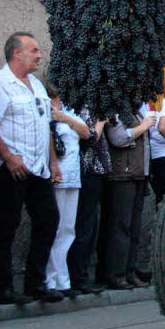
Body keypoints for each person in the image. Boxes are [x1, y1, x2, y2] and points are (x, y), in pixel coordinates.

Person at [0, 32, 63, 304]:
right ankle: (2, 288)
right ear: (16, 53)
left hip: (38, 167)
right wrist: (7, 157)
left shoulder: (37, 86)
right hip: (12, 167)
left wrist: (53, 162)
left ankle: (35, 283)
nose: (39, 55)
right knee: (7, 225)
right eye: (34, 50)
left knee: (49, 219)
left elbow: (45, 126)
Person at [44, 83, 90, 297]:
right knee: (55, 227)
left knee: (68, 229)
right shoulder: (45, 106)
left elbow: (85, 132)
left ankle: (63, 280)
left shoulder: (68, 110)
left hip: (73, 176)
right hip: (56, 174)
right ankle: (51, 280)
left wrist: (64, 118)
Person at [102, 110, 156, 289]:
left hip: (138, 174)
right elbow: (118, 138)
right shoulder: (117, 110)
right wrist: (144, 126)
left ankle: (130, 271)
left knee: (134, 227)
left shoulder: (135, 110)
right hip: (123, 175)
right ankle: (116, 273)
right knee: (121, 226)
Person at [68, 111, 110, 295]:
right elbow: (90, 137)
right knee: (84, 226)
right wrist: (101, 121)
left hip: (96, 172)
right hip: (87, 171)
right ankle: (78, 277)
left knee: (90, 226)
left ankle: (81, 276)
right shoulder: (81, 108)